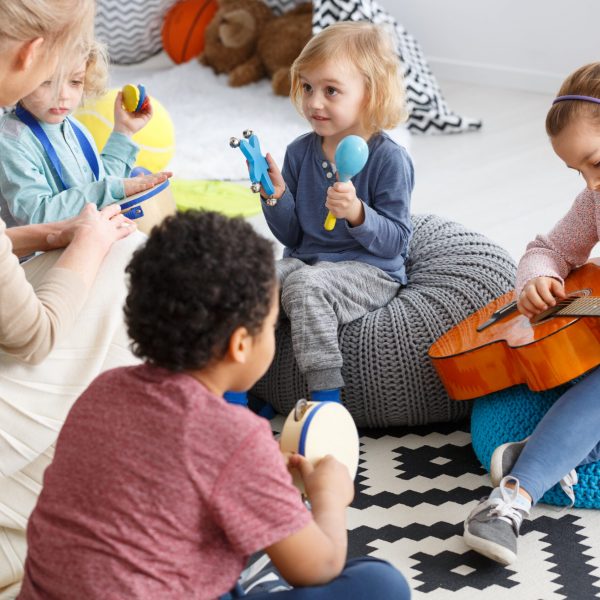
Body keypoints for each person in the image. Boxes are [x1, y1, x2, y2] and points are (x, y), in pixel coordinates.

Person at [17, 211, 411, 600]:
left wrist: (255, 473)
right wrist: (329, 496)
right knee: (381, 584)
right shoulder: (234, 437)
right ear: (241, 344)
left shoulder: (103, 391)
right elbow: (316, 568)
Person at [0, 1, 158, 596]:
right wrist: (95, 226)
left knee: (138, 240)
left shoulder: (68, 130)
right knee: (130, 260)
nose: (62, 95)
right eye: (50, 79)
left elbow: (81, 189)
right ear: (29, 54)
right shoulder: (11, 136)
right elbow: (29, 331)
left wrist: (119, 145)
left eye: (74, 81)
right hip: (31, 296)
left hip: (39, 264)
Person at [463, 62, 600, 566]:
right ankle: (510, 501)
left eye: (596, 164)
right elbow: (547, 248)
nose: (589, 184)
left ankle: (539, 453)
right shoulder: (595, 201)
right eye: (578, 172)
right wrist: (538, 279)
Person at [255, 21, 413, 404]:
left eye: (331, 91)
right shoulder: (299, 152)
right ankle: (245, 387)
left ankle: (327, 398)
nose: (313, 102)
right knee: (252, 280)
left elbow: (396, 241)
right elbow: (294, 237)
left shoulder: (388, 159)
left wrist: (358, 213)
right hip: (309, 261)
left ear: (370, 95)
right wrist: (276, 199)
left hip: (371, 270)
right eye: (307, 87)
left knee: (305, 287)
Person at [0, 36, 166, 227]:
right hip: (37, 255)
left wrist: (124, 132)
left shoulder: (71, 125)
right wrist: (116, 188)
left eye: (75, 82)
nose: (63, 95)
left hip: (81, 236)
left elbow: (97, 186)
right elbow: (37, 215)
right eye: (47, 82)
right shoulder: (10, 140)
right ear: (20, 78)